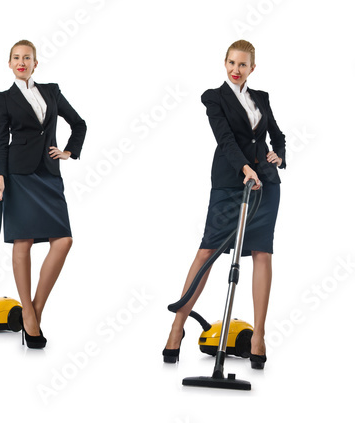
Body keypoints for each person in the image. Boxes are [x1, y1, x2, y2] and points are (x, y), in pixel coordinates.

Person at [162, 39, 285, 369]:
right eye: (231, 62)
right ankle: (177, 328)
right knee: (207, 251)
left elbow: (277, 135)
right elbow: (225, 138)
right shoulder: (213, 97)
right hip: (232, 182)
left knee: (262, 253)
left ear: (252, 68)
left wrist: (279, 155)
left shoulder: (262, 98)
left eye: (242, 65)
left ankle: (258, 335)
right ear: (225, 63)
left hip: (266, 185)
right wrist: (245, 168)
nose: (236, 69)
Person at [0, 40, 87, 349]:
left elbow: (79, 123)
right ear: (9, 64)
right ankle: (30, 319)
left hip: (48, 173)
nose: (22, 62)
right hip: (18, 174)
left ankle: (34, 309)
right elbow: (0, 140)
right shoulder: (2, 99)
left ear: (35, 63)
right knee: (23, 241)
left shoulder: (52, 91)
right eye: (16, 58)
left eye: (27, 57)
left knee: (64, 240)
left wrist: (69, 152)